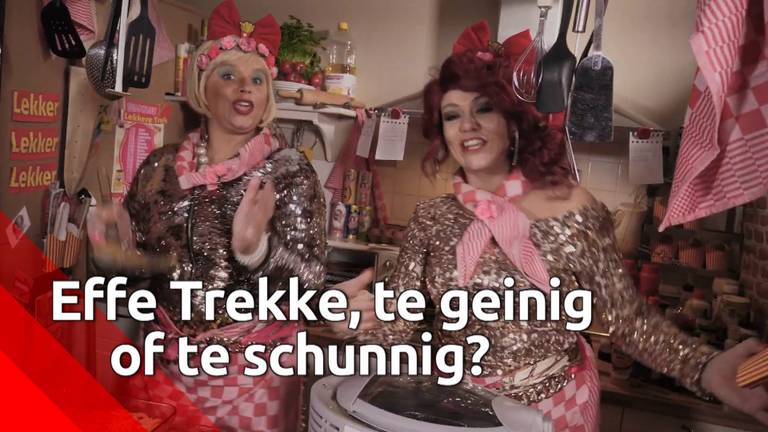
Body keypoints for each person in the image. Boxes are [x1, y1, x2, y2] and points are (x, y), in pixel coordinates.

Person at [345, 21, 768, 431]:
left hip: (554, 409)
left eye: (484, 109)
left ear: (513, 121)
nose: (467, 125)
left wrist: (705, 367)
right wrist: (357, 324)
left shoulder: (574, 208)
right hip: (456, 410)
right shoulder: (431, 217)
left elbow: (628, 321)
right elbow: (398, 325)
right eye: (452, 116)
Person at [87, 1, 325, 430]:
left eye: (257, 80)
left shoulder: (288, 171)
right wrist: (115, 255)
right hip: (166, 369)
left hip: (254, 376)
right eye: (229, 75)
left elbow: (308, 283)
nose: (245, 88)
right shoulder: (160, 167)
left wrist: (256, 251)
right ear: (202, 85)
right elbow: (145, 277)